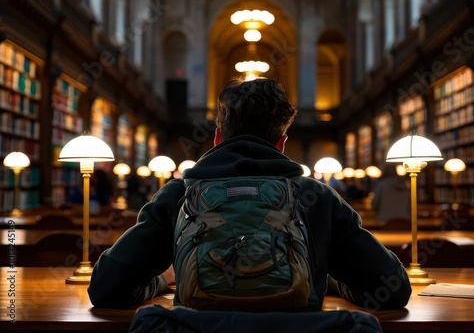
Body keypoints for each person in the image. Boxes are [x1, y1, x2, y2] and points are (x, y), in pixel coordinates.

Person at [88, 78, 411, 311]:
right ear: (282, 143)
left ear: (217, 138)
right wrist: (323, 279)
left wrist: (162, 280)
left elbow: (105, 289)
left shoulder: (178, 195)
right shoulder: (316, 196)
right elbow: (393, 289)